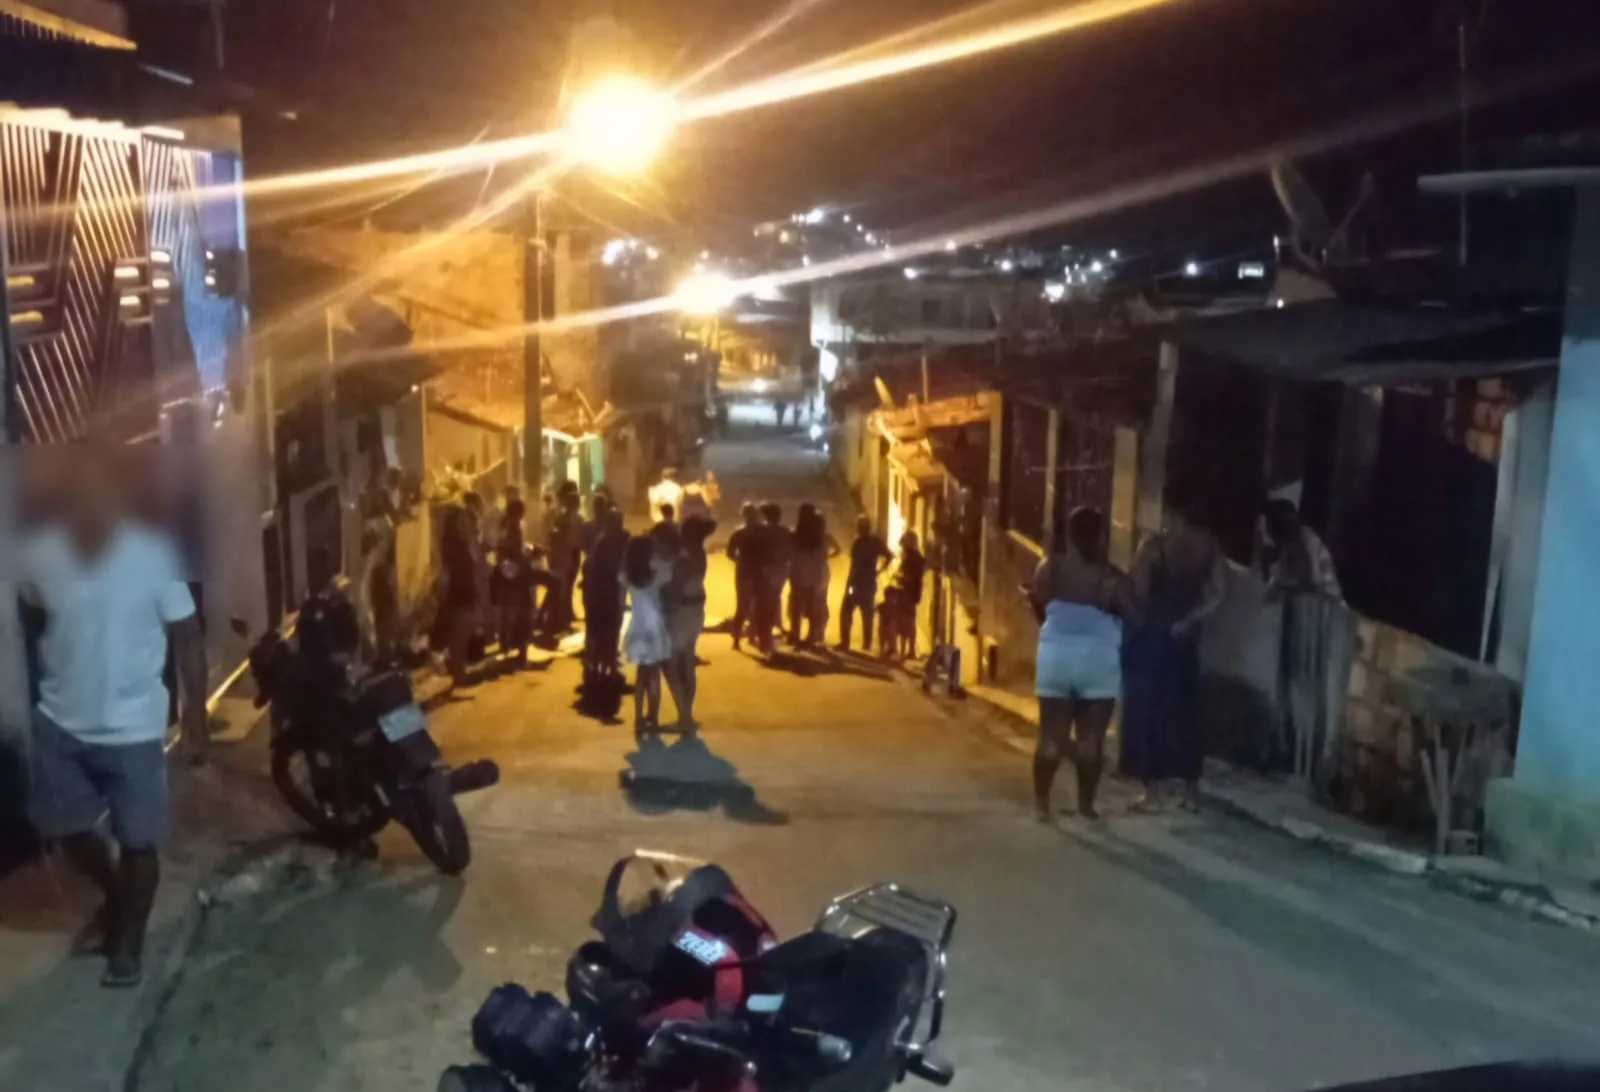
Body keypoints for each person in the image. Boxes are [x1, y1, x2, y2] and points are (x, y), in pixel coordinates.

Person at [17, 445, 209, 987]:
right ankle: (117, 897)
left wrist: (195, 717)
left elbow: (188, 635)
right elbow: (31, 608)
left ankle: (127, 945)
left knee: (139, 843)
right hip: (60, 722)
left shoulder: (153, 556)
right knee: (68, 830)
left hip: (134, 729)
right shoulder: (41, 554)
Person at [1120, 484, 1226, 811]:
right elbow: (1218, 595)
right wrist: (1189, 620)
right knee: (1185, 712)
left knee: (1149, 712)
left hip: (1154, 634)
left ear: (1168, 512)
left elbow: (1137, 591)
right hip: (1186, 638)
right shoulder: (1208, 545)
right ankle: (1190, 793)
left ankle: (1152, 794)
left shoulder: (1153, 546)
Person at [1029, 506, 1136, 822]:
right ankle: (1085, 807)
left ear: (1071, 537)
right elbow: (1135, 617)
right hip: (1098, 659)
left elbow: (1038, 603)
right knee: (1092, 741)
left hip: (1056, 656)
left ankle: (1042, 807)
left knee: (1050, 736)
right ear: (1102, 537)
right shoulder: (1114, 579)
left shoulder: (1050, 568)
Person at [1261, 498, 1349, 787]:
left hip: (1318, 619)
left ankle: (1303, 767)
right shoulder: (1295, 543)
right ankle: (1297, 762)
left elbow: (1306, 582)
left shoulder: (1301, 543)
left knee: (1303, 690)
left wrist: (1278, 584)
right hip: (1311, 617)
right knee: (1295, 689)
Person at [666, 515, 716, 733]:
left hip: (682, 612)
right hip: (695, 610)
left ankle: (684, 716)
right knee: (687, 662)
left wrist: (666, 613)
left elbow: (676, 589)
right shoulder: (699, 553)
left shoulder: (683, 557)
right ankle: (687, 714)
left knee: (671, 665)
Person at [622, 535, 673, 739]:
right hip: (654, 626)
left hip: (637, 625)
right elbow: (670, 570)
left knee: (640, 675)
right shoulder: (658, 573)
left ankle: (638, 717)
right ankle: (654, 718)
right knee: (654, 675)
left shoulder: (627, 575)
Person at [581, 496, 628, 679]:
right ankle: (605, 664)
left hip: (602, 593)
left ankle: (599, 663)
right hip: (606, 594)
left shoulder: (607, 540)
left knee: (601, 629)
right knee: (608, 629)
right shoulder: (607, 542)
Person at [788, 504, 839, 648]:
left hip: (799, 573)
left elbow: (788, 551)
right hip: (817, 574)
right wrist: (826, 557)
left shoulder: (795, 535)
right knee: (813, 607)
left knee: (797, 606)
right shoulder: (822, 537)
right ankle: (812, 636)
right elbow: (837, 550)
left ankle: (795, 635)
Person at [439, 505, 480, 685]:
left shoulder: (463, 540)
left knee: (462, 633)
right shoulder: (451, 542)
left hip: (466, 591)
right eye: (460, 520)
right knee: (458, 635)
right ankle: (458, 673)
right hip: (457, 592)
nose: (464, 523)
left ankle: (459, 670)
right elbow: (451, 568)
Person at [838, 515, 892, 651]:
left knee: (846, 611)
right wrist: (880, 570)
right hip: (870, 582)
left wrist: (849, 583)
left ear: (860, 528)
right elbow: (889, 556)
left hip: (856, 582)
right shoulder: (876, 542)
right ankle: (867, 643)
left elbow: (855, 565)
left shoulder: (858, 544)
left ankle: (845, 642)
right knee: (867, 613)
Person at [490, 498, 533, 665]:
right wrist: (529, 553)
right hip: (517, 574)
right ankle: (520, 650)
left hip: (506, 573)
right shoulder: (514, 528)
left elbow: (502, 551)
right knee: (522, 612)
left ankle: (506, 645)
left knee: (507, 610)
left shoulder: (505, 527)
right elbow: (516, 552)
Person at [880, 531, 927, 661]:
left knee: (904, 620)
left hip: (908, 592)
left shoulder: (912, 558)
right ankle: (908, 650)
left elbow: (910, 577)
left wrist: (899, 579)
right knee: (909, 620)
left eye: (905, 543)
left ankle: (903, 650)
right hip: (912, 593)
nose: (903, 547)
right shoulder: (916, 557)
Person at [546, 482, 584, 635]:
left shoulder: (565, 517)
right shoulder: (565, 517)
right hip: (567, 554)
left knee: (566, 586)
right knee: (564, 587)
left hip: (569, 553)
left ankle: (564, 616)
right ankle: (561, 619)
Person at [754, 502, 792, 655]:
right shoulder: (786, 532)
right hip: (781, 570)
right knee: (774, 602)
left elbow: (758, 552)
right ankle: (768, 638)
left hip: (765, 570)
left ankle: (765, 640)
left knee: (763, 606)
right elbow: (790, 553)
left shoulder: (762, 531)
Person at [726, 503, 763, 651]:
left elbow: (730, 553)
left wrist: (740, 561)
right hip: (759, 571)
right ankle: (751, 635)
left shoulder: (740, 532)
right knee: (756, 605)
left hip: (744, 571)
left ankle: (737, 639)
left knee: (743, 606)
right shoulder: (762, 532)